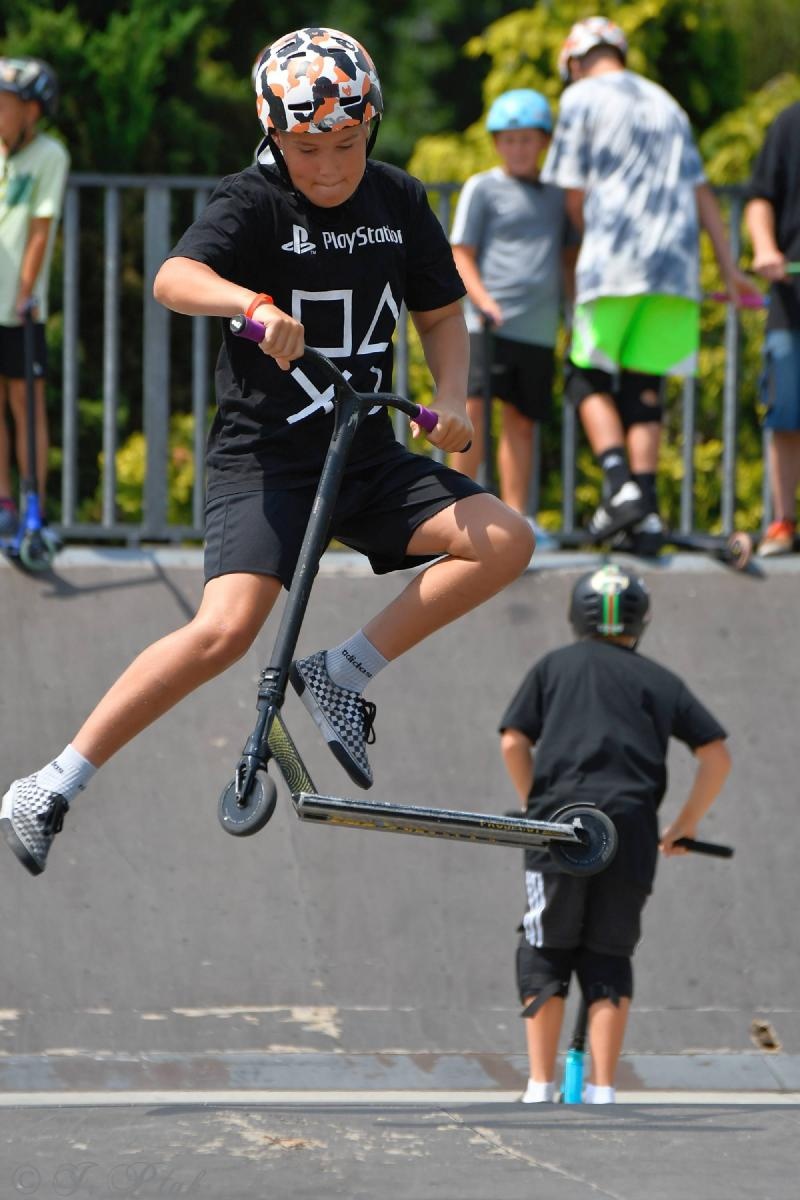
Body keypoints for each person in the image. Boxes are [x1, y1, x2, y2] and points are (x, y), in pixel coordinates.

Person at [0, 27, 534, 877]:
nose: (329, 167)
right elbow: (178, 279)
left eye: (348, 145)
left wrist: (456, 399)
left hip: (363, 454)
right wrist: (248, 304)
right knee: (226, 629)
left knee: (506, 538)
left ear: (374, 127)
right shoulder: (249, 202)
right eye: (307, 148)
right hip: (266, 458)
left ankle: (340, 674)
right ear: (273, 136)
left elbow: (439, 309)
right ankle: (52, 781)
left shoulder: (398, 201)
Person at [498, 564, 730, 1103]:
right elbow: (715, 755)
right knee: (609, 951)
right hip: (628, 828)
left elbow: (514, 741)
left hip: (559, 825)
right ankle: (602, 1089)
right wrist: (684, 824)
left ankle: (539, 1084)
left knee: (544, 943)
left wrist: (533, 805)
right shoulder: (660, 680)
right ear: (640, 619)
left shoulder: (552, 667)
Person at [541, 17, 756, 554]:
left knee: (584, 376)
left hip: (613, 259)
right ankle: (649, 514)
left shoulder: (582, 98)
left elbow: (572, 194)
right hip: (676, 268)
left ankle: (619, 488)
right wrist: (728, 267)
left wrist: (588, 248)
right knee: (644, 387)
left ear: (575, 62)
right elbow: (701, 189)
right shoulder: (668, 104)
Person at [449, 89, 575, 519]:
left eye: (527, 139)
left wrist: (571, 314)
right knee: (473, 417)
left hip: (537, 329)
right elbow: (460, 251)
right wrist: (483, 301)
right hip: (487, 324)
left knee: (522, 423)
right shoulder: (483, 187)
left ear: (543, 142)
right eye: (509, 139)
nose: (518, 148)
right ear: (497, 143)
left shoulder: (559, 194)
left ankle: (518, 516)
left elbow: (567, 257)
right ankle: (459, 512)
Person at [0, 57, 69, 535]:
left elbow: (41, 231)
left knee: (27, 406)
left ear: (31, 111)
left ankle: (34, 508)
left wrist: (23, 294)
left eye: (5, 104)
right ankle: (3, 503)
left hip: (20, 308)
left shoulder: (50, 155)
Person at [744, 102, 800, 557]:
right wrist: (765, 247)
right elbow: (760, 196)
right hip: (791, 298)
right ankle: (782, 521)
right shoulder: (790, 120)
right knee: (785, 409)